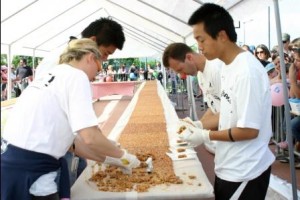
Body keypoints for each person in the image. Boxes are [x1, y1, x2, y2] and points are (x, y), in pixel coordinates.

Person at [1, 38, 140, 200]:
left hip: (12, 164)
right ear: (90, 57)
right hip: (32, 170)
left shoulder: (54, 74)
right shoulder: (76, 76)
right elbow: (90, 137)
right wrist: (123, 156)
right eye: (100, 65)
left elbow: (72, 145)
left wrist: (110, 158)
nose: (97, 74)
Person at [178, 3, 275, 199]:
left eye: (201, 39)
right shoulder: (228, 67)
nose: (200, 47)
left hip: (245, 171)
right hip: (228, 165)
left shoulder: (247, 72)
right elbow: (228, 113)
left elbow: (249, 130)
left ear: (221, 35)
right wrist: (198, 124)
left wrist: (205, 135)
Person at [34, 17, 126, 186]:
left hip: (69, 140)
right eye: (105, 53)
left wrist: (101, 146)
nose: (103, 61)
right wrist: (118, 155)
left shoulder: (74, 67)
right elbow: (49, 116)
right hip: (50, 147)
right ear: (92, 42)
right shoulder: (60, 65)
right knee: (66, 184)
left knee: (79, 176)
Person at [162, 42, 223, 154]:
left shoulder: (217, 70)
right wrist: (194, 125)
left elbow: (230, 112)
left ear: (189, 57)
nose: (181, 75)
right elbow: (214, 106)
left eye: (180, 69)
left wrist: (198, 127)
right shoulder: (200, 74)